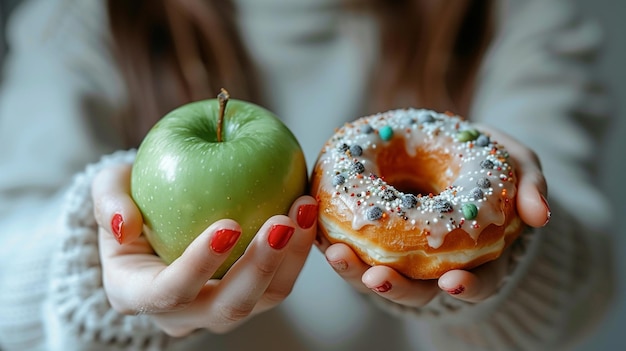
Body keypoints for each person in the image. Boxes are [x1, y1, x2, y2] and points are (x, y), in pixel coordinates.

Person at [0, 0, 615, 350]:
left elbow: (591, 283)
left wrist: (517, 256)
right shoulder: (77, 21)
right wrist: (88, 263)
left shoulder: (523, 16)